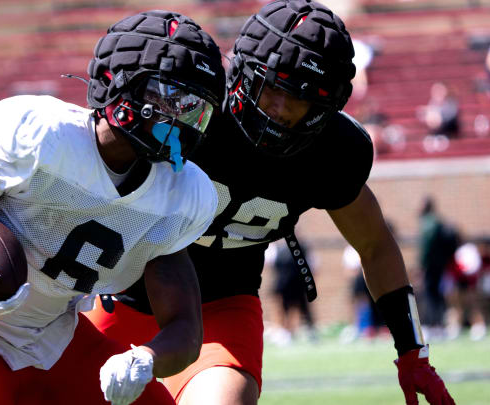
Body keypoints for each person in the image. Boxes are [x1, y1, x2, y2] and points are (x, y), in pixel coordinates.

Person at [86, 2, 456, 405]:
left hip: (223, 310)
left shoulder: (333, 151)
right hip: (124, 294)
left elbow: (374, 244)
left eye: (298, 99)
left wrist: (412, 351)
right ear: (242, 76)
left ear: (325, 108)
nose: (278, 109)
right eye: (271, 87)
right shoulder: (193, 111)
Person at [0, 11, 225, 405]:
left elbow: (184, 327)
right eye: (166, 97)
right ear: (117, 83)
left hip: (54, 333)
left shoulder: (179, 194)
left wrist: (145, 360)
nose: (179, 118)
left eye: (193, 107)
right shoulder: (44, 138)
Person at [418, 197, 459, 340]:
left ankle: (433, 325)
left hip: (431, 266)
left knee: (430, 295)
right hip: (440, 265)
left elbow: (426, 248)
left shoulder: (428, 223)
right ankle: (440, 325)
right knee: (438, 294)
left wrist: (422, 265)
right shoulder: (438, 221)